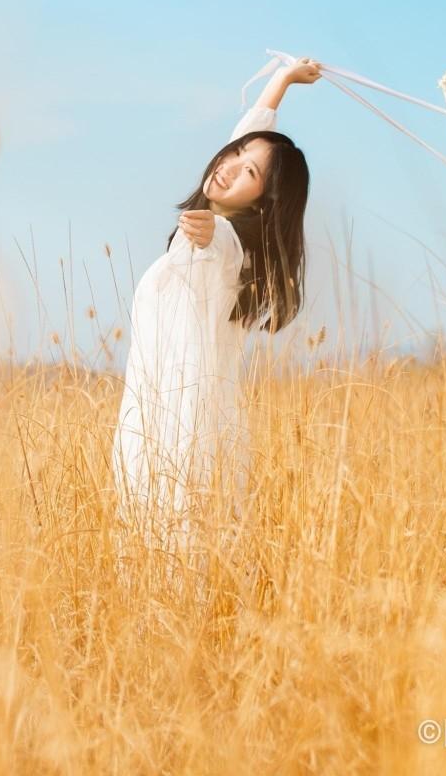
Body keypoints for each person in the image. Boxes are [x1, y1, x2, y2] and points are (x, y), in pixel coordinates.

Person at [111, 55, 322, 573]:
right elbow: (245, 142)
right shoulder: (225, 223)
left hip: (185, 434)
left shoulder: (229, 245)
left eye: (249, 172)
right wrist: (284, 80)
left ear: (263, 202)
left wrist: (207, 229)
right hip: (151, 424)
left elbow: (218, 238)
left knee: (179, 562)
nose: (229, 166)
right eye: (233, 155)